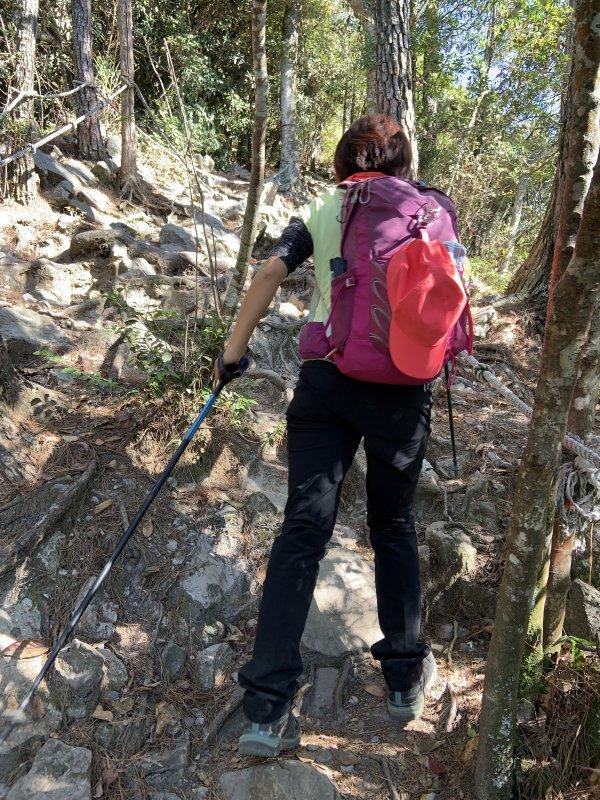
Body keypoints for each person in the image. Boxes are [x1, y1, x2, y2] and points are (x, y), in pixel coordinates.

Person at [214, 114, 452, 758]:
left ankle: (266, 711)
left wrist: (232, 354)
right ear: (402, 164)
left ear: (345, 164)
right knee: (393, 526)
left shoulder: (325, 208)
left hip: (326, 380)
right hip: (402, 390)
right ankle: (403, 681)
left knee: (302, 531)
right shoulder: (429, 210)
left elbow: (270, 272)